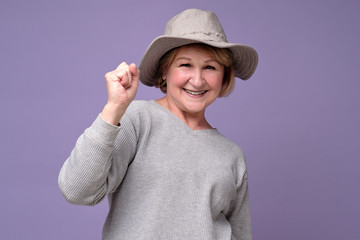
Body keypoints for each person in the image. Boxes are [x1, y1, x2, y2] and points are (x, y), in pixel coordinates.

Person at [58, 8, 258, 240]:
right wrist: (113, 108)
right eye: (185, 65)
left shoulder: (232, 155)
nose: (197, 79)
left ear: (224, 76)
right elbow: (76, 191)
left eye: (210, 67)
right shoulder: (136, 120)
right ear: (165, 71)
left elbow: (241, 234)